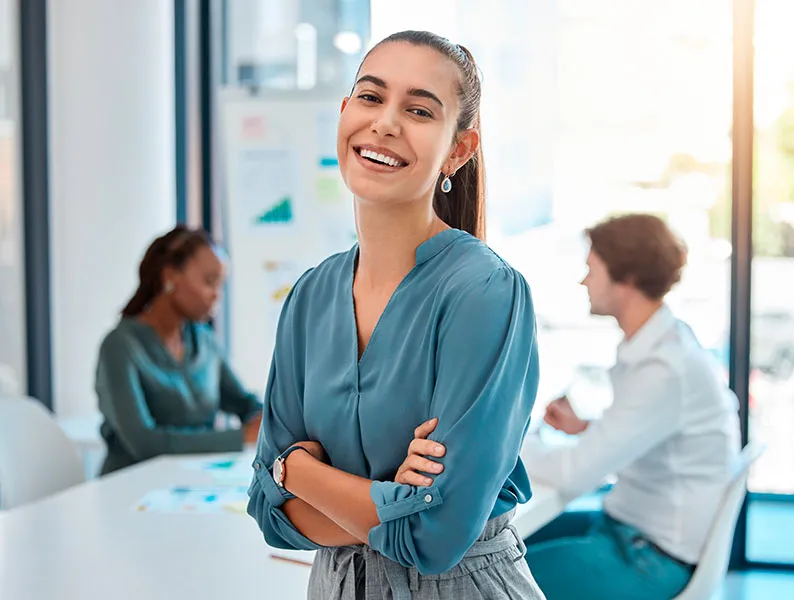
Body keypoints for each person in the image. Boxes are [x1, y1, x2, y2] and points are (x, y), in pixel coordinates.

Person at [246, 30, 544, 599]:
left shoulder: (484, 292)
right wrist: (390, 504)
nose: (385, 122)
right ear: (344, 113)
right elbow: (268, 514)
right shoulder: (310, 295)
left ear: (459, 150)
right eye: (370, 96)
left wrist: (298, 472)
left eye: (418, 110)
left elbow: (436, 536)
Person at [397, 213, 742, 600]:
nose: (584, 281)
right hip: (628, 532)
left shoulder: (664, 370)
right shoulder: (667, 344)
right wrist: (586, 428)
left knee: (483, 582)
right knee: (488, 552)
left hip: (647, 558)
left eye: (592, 270)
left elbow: (575, 474)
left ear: (625, 279)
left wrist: (500, 444)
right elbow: (659, 435)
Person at [95, 225, 263, 475]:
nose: (216, 296)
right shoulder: (119, 346)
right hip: (130, 488)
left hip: (194, 482)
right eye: (209, 282)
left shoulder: (204, 341)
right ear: (170, 276)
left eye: (221, 285)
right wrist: (239, 437)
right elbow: (145, 443)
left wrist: (265, 418)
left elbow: (242, 402)